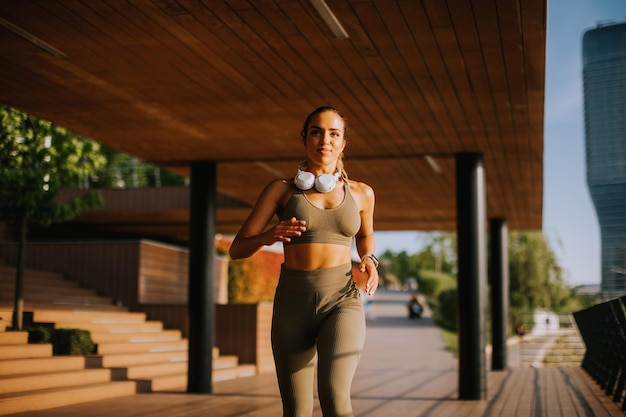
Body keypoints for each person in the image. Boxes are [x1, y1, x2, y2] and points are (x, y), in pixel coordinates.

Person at [229, 105, 379, 417]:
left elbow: (364, 236)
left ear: (343, 143)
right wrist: (268, 236)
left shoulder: (362, 193)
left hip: (342, 300)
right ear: (305, 139)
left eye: (334, 134)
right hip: (291, 305)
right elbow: (238, 248)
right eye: (316, 132)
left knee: (335, 398)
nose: (325, 139)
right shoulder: (280, 190)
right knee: (296, 411)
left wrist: (369, 259)